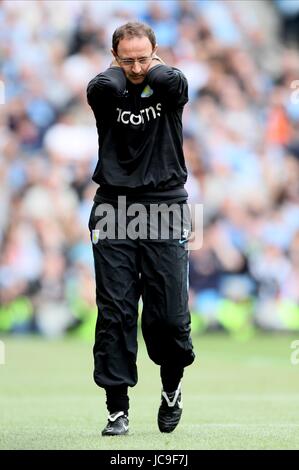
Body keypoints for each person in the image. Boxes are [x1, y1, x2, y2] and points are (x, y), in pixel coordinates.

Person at [87, 21, 195, 436]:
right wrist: (127, 68)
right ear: (114, 56)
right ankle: (117, 408)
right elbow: (107, 87)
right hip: (113, 208)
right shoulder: (105, 87)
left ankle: (171, 389)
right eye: (127, 59)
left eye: (143, 58)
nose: (135, 68)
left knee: (169, 315)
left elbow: (171, 81)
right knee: (115, 311)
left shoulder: (171, 84)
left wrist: (150, 67)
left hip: (166, 205)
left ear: (157, 53)